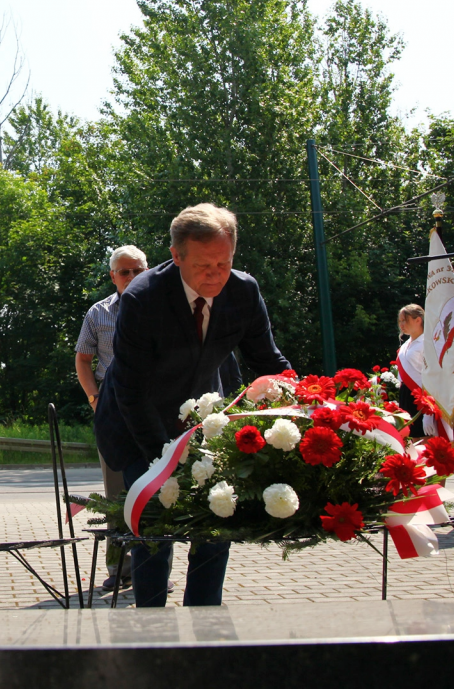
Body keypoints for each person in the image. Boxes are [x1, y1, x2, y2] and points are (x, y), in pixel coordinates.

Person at [94, 203, 292, 608]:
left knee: (215, 525)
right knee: (154, 528)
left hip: (203, 420)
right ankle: (151, 625)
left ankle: (206, 623)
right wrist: (163, 461)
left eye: (224, 262)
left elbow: (269, 363)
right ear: (176, 255)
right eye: (203, 265)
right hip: (136, 424)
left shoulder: (243, 291)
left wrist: (303, 399)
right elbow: (131, 389)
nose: (215, 274)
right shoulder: (142, 298)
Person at [75, 244, 148, 591]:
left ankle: (153, 567)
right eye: (124, 271)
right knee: (117, 493)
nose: (131, 276)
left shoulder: (164, 309)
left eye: (138, 270)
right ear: (112, 276)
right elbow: (83, 360)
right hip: (113, 408)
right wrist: (94, 398)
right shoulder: (98, 313)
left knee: (157, 489)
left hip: (156, 407)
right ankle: (119, 569)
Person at [393, 304, 429, 437]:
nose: (401, 324)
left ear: (418, 320)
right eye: (400, 321)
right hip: (406, 392)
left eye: (405, 320)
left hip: (420, 394)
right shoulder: (406, 344)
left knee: (421, 433)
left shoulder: (428, 342)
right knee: (409, 434)